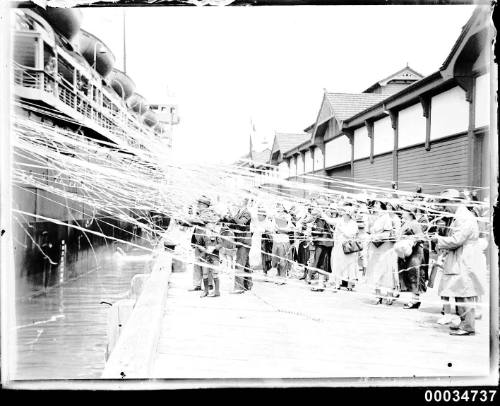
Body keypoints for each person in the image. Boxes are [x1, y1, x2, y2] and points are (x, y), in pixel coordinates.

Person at [431, 189, 485, 336]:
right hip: (460, 257)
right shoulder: (459, 216)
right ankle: (464, 322)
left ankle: (468, 326)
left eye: (445, 203)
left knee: (466, 292)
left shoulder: (464, 217)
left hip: (465, 259)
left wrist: (438, 240)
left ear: (454, 201)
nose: (444, 207)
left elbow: (457, 240)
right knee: (460, 290)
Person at [366, 199, 398, 305]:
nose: (375, 206)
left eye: (377, 204)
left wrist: (376, 236)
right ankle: (377, 295)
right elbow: (369, 230)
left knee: (386, 271)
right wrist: (370, 236)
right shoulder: (373, 217)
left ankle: (389, 295)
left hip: (385, 247)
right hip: (374, 248)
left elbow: (388, 233)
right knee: (375, 271)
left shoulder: (386, 217)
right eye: (374, 204)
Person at [397, 207, 427, 309]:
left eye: (404, 211)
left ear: (410, 214)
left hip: (415, 252)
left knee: (414, 275)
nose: (402, 213)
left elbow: (421, 237)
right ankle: (414, 299)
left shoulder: (414, 223)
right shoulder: (406, 223)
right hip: (408, 252)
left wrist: (411, 239)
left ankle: (415, 301)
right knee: (410, 275)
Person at [325, 206, 359, 290]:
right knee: (337, 264)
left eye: (344, 211)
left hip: (349, 247)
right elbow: (329, 220)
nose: (342, 213)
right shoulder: (339, 221)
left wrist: (341, 230)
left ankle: (350, 285)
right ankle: (337, 284)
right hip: (339, 246)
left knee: (350, 265)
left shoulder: (353, 223)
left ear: (348, 214)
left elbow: (351, 234)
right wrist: (321, 212)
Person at [306, 199, 334, 292]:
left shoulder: (321, 218)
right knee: (323, 263)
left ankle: (321, 285)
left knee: (320, 262)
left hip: (322, 243)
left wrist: (312, 230)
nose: (314, 209)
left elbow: (319, 230)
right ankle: (322, 283)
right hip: (327, 242)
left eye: (316, 207)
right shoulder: (326, 216)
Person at [188, 196, 212, 292]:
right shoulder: (200, 213)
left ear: (205, 205)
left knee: (206, 263)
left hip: (206, 243)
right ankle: (197, 284)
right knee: (197, 264)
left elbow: (197, 221)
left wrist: (186, 220)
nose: (198, 206)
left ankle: (209, 284)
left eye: (200, 204)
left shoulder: (208, 214)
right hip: (198, 242)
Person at [231, 197, 253, 293]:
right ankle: (247, 284)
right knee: (245, 263)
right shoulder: (239, 212)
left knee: (239, 264)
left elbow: (240, 222)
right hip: (242, 240)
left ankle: (239, 288)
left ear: (244, 202)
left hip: (244, 241)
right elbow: (233, 223)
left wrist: (233, 216)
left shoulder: (247, 212)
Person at [269, 203, 293, 284]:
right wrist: (273, 231)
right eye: (277, 206)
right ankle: (279, 275)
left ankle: (283, 277)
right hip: (276, 239)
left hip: (284, 239)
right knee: (276, 258)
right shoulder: (274, 216)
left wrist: (279, 229)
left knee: (283, 258)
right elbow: (272, 228)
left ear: (283, 208)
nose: (279, 208)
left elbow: (289, 229)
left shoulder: (287, 217)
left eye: (280, 207)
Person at [198, 221, 223, 297]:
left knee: (215, 274)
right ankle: (206, 291)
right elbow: (199, 245)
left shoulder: (216, 234)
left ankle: (217, 291)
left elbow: (221, 244)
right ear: (206, 226)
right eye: (209, 224)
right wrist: (204, 249)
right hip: (205, 257)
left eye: (212, 224)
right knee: (205, 274)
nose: (210, 226)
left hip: (214, 257)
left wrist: (214, 248)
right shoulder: (203, 235)